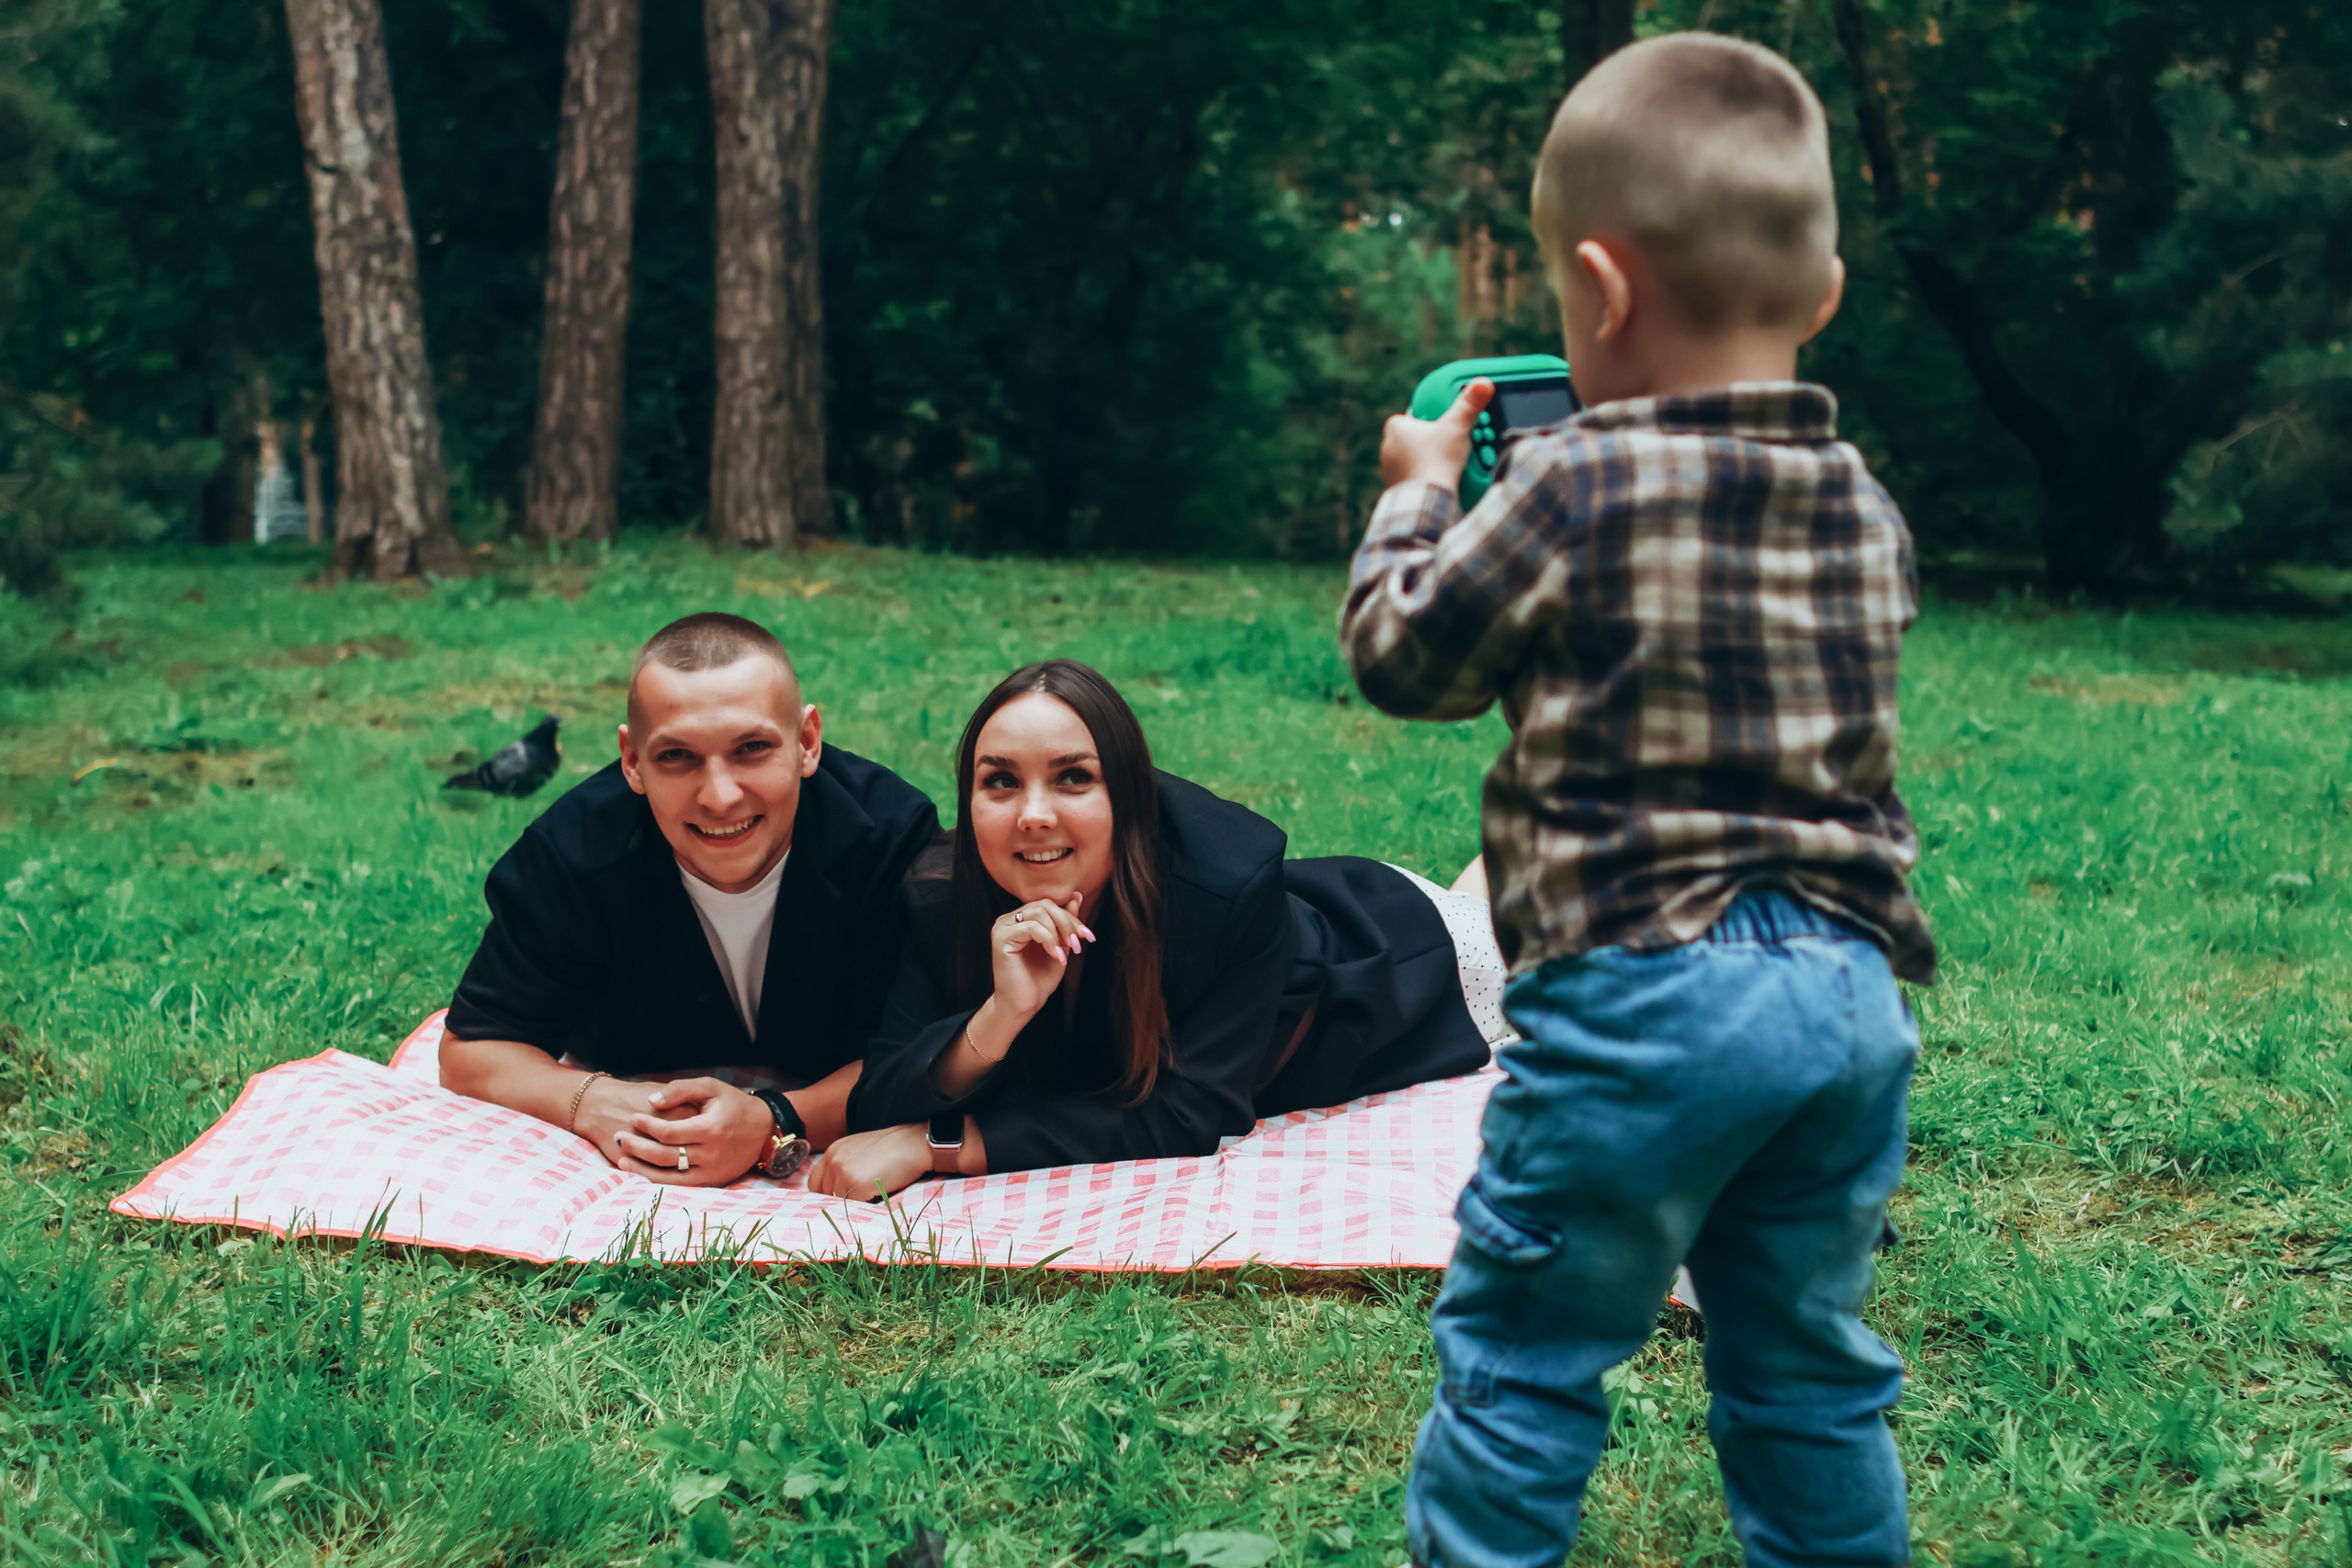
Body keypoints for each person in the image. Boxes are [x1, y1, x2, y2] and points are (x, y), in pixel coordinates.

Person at [1341, 34, 1938, 1568]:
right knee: (1809, 1375)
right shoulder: (1865, 508)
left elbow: (1409, 660)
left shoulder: (1568, 483)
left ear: (1599, 294)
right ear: (1822, 299)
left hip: (1641, 1000)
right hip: (1848, 1001)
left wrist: (1418, 489)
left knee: (1526, 1360)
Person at [810, 658, 1497, 1199]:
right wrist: (998, 1016)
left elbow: (1185, 1114)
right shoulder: (940, 894)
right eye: (1000, 782)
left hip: (1398, 957)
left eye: (1074, 777)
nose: (1033, 814)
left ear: (1128, 798)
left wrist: (936, 1144)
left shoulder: (1225, 888)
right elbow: (882, 1090)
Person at [439, 613, 940, 1187]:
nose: (720, 796)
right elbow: (471, 1049)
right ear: (632, 760)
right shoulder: (572, 851)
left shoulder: (892, 838)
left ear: (807, 742)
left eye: (752, 748)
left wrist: (772, 1119)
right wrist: (591, 1100)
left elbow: (924, 1056)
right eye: (678, 756)